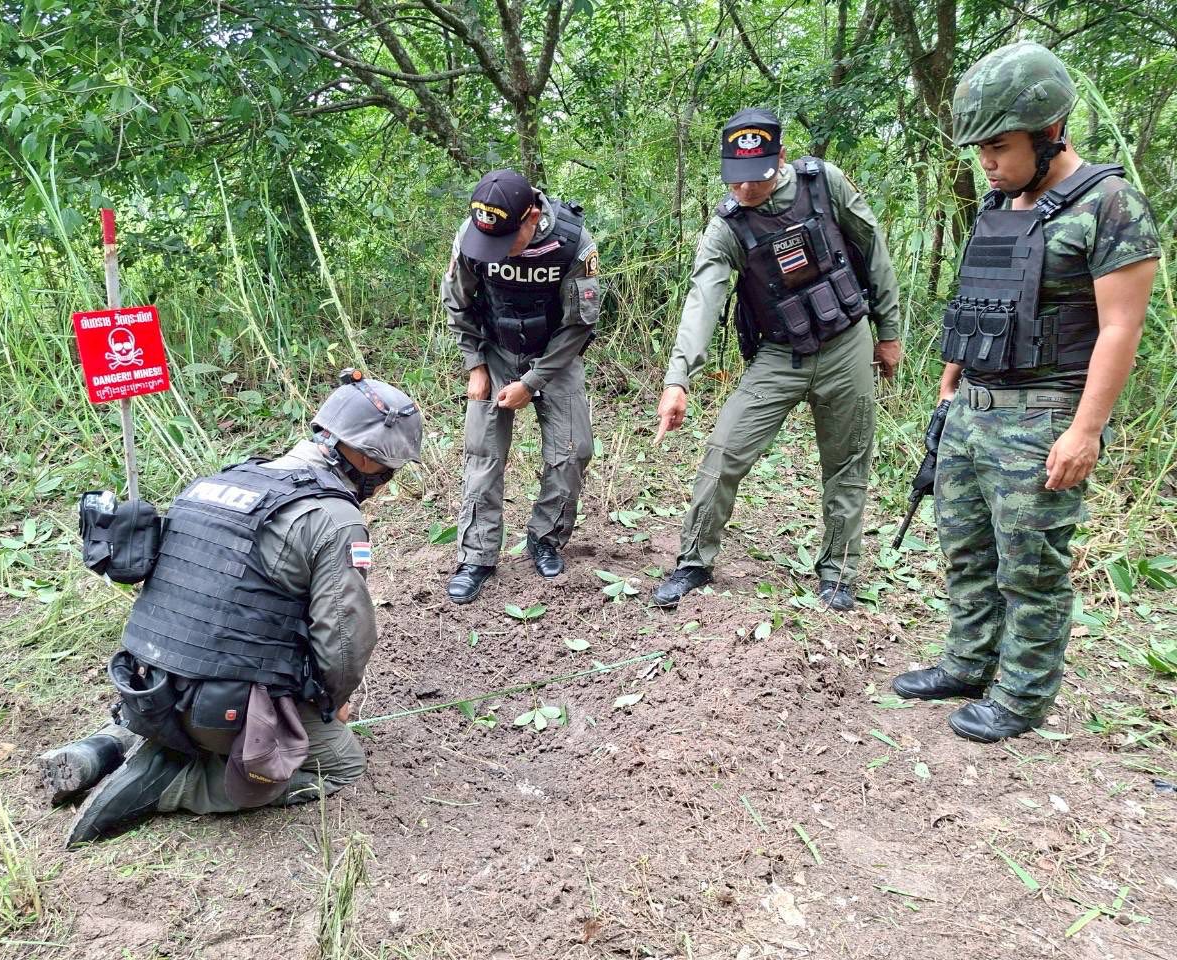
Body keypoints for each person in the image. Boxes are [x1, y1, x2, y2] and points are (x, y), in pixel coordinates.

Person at [891, 42, 1159, 742]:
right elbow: (981, 300)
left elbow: (1121, 327)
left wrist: (1085, 431)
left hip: (1043, 417)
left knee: (1032, 568)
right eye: (980, 148)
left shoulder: (1110, 205)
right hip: (972, 409)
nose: (987, 162)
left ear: (1050, 132)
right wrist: (949, 388)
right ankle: (968, 662)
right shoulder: (1001, 203)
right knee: (966, 551)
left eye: (999, 147)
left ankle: (1022, 695)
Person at [42, 371, 423, 844]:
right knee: (341, 761)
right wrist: (331, 704)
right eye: (389, 469)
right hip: (219, 711)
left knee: (199, 685)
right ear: (365, 458)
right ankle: (175, 783)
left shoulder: (215, 482)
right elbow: (343, 642)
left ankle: (108, 743)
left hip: (144, 684)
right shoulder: (334, 518)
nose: (386, 482)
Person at [652, 107, 903, 612]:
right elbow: (703, 301)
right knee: (724, 453)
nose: (746, 188)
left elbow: (872, 246)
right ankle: (694, 562)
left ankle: (838, 573)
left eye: (757, 176)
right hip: (779, 353)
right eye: (736, 178)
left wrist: (889, 331)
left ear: (782, 157)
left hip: (846, 343)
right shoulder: (727, 226)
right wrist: (679, 379)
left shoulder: (824, 184)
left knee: (847, 462)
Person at [441, 169, 600, 603]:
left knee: (573, 450)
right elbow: (457, 303)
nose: (496, 251)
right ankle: (477, 556)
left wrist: (532, 382)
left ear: (531, 216)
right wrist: (475, 365)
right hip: (495, 349)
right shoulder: (473, 234)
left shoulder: (572, 241)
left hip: (556, 354)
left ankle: (545, 538)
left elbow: (579, 325)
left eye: (506, 240)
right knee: (483, 452)